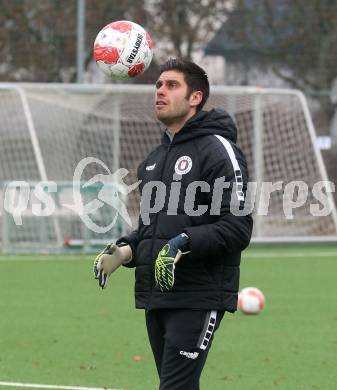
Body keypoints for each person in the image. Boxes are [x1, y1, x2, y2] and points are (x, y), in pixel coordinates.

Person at [93, 58, 253, 390]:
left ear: (196, 97)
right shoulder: (153, 160)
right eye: (158, 86)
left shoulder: (219, 150)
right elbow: (154, 230)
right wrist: (126, 250)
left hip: (199, 293)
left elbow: (238, 226)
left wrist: (184, 242)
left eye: (172, 85)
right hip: (157, 294)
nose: (160, 92)